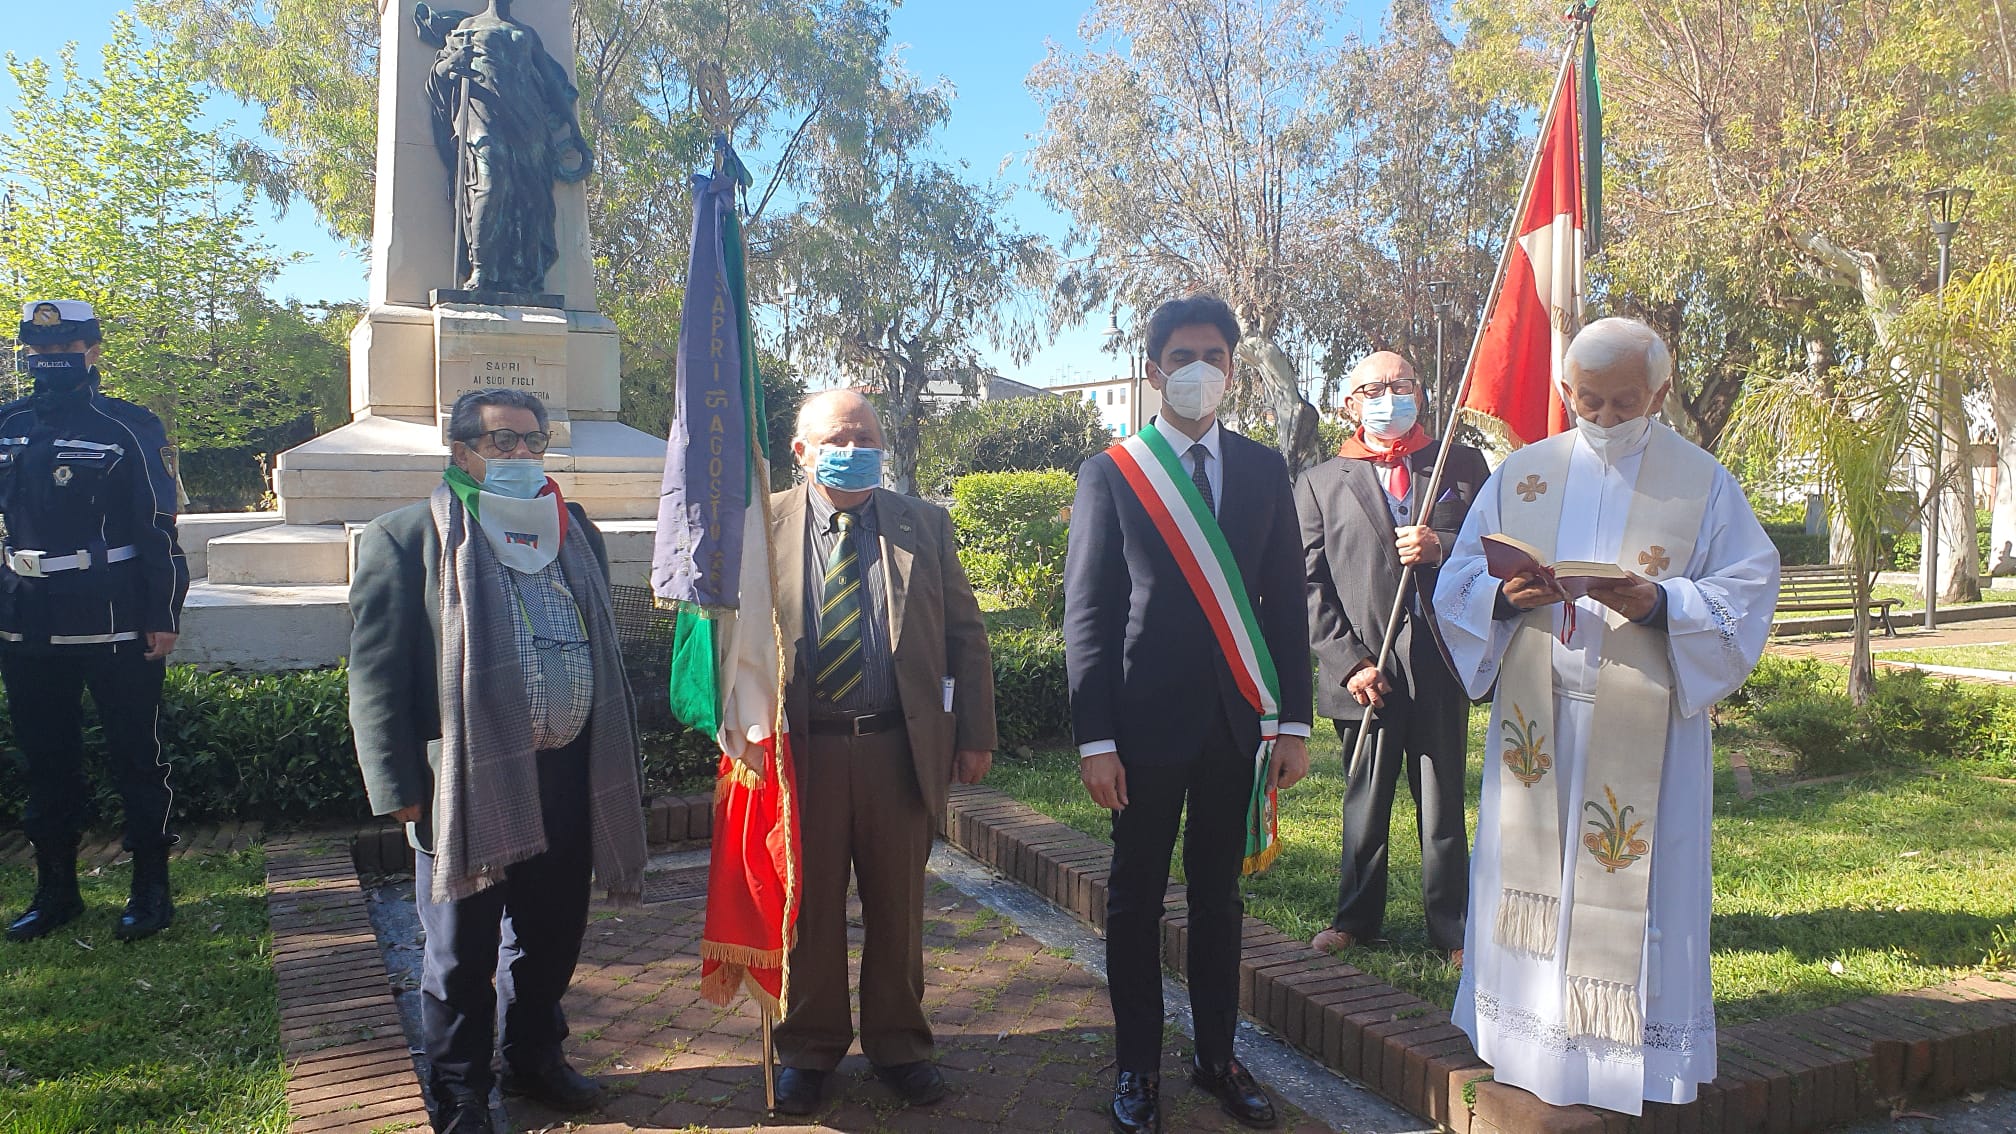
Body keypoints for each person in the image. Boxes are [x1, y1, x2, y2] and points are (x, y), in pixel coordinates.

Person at [1433, 318, 1779, 1115]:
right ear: (1565, 391)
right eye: (1589, 399)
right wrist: (1500, 595)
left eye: (1626, 401)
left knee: (1635, 891)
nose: (1606, 416)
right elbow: (1456, 582)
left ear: (1660, 391)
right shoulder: (1524, 471)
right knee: (1534, 879)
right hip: (1540, 721)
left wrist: (1662, 601)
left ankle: (1632, 1058)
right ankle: (1525, 1039)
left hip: (1646, 733)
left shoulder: (1701, 481)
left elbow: (1749, 589)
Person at [349, 388, 647, 1134]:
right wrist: (397, 787)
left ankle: (534, 1057)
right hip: (465, 782)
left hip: (568, 773)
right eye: (503, 441)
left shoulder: (573, 529)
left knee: (552, 935)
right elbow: (376, 673)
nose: (520, 455)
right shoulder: (405, 536)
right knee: (460, 953)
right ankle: (459, 1091)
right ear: (462, 452)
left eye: (533, 442)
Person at [1064, 294, 1313, 1134]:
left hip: (1240, 726)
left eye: (1214, 354)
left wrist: (1296, 724)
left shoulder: (1264, 468)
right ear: (1153, 369)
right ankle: (1138, 1066)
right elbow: (1090, 613)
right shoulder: (1113, 472)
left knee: (1219, 902)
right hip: (1140, 731)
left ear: (1234, 371)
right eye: (1182, 356)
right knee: (1135, 900)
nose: (1198, 369)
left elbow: (1285, 608)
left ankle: (1216, 1058)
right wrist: (1095, 738)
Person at [770, 390, 998, 1116]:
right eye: (839, 435)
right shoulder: (761, 524)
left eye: (866, 433)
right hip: (801, 750)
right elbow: (728, 639)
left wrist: (975, 735)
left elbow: (965, 634)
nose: (856, 445)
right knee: (806, 909)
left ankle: (900, 1043)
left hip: (896, 747)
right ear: (801, 450)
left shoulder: (922, 524)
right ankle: (808, 1048)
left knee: (897, 909)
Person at [2, 299, 188, 944]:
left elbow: (160, 529)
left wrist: (162, 614)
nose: (50, 357)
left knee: (136, 756)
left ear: (94, 350)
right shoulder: (9, 423)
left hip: (113, 616)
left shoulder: (129, 426)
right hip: (27, 620)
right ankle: (56, 891)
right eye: (38, 346)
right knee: (47, 761)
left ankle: (151, 889)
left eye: (68, 346)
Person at [1295, 351, 1487, 966]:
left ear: (1421, 394)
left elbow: (1495, 549)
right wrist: (1349, 662)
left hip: (1439, 664)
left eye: (1399, 385)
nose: (1388, 397)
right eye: (1372, 389)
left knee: (1442, 803)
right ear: (1350, 404)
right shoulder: (1320, 482)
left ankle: (1453, 928)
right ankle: (1356, 918)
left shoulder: (1460, 466)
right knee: (1364, 801)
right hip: (1365, 675)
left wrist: (1443, 545)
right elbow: (1307, 583)